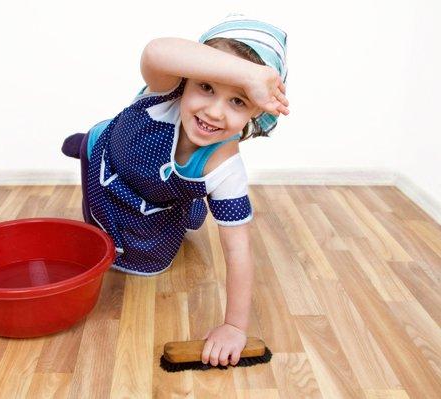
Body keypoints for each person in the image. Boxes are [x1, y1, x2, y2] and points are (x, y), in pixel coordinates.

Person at [62, 13, 289, 367]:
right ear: (188, 79)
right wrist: (248, 76)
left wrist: (234, 326)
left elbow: (238, 248)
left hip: (162, 195)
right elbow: (156, 52)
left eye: (238, 101)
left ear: (257, 114)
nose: (214, 111)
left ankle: (185, 206)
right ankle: (80, 145)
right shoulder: (166, 91)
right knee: (114, 251)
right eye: (207, 86)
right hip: (112, 166)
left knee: (170, 242)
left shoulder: (224, 167)